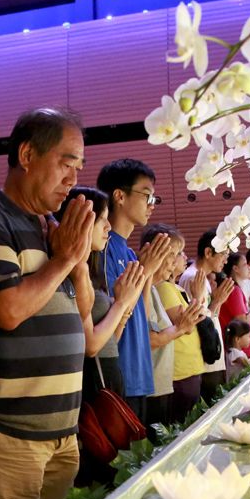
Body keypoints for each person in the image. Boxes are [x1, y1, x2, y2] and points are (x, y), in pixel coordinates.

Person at [0, 107, 95, 499]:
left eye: (79, 168)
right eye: (66, 163)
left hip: (62, 434)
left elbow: (82, 315)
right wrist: (63, 260)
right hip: (10, 437)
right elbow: (7, 310)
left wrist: (76, 260)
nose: (72, 178)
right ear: (26, 154)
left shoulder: (50, 226)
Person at [94, 159, 171, 424]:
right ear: (120, 196)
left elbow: (142, 313)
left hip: (139, 374)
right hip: (119, 374)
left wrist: (147, 273)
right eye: (147, 195)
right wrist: (145, 271)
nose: (152, 205)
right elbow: (115, 310)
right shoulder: (102, 248)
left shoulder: (128, 252)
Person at [58, 186, 148, 405]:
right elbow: (91, 345)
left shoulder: (90, 270)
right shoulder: (73, 271)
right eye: (102, 220)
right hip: (94, 385)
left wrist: (123, 306)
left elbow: (109, 341)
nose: (108, 226)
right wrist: (121, 304)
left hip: (109, 376)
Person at [140, 225, 201, 427]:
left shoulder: (155, 289)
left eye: (178, 254)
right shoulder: (151, 289)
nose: (176, 261)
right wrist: (180, 328)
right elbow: (148, 339)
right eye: (172, 254)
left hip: (162, 384)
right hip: (152, 387)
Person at [154, 231, 207, 423]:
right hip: (180, 371)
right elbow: (188, 324)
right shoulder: (163, 287)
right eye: (177, 253)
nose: (184, 257)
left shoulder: (175, 287)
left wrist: (197, 299)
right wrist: (199, 297)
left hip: (190, 368)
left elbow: (193, 318)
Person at [178, 230, 234, 402]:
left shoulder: (201, 277)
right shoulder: (192, 277)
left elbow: (209, 315)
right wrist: (216, 302)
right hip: (202, 358)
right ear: (208, 252)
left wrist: (216, 302)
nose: (226, 260)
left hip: (209, 357)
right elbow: (197, 321)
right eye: (223, 254)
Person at [218, 252, 250, 361]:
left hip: (246, 351)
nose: (248, 267)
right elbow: (243, 323)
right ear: (235, 268)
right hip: (241, 354)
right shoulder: (234, 290)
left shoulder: (237, 289)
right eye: (244, 264)